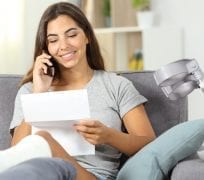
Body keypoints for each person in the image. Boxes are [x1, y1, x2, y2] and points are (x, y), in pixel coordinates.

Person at [9, 2, 156, 180]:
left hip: (91, 176)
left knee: (43, 139)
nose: (63, 46)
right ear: (46, 48)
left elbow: (150, 144)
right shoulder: (30, 91)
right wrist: (38, 94)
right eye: (54, 40)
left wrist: (109, 136)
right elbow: (16, 153)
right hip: (40, 174)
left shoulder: (116, 85)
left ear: (87, 36)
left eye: (71, 35)